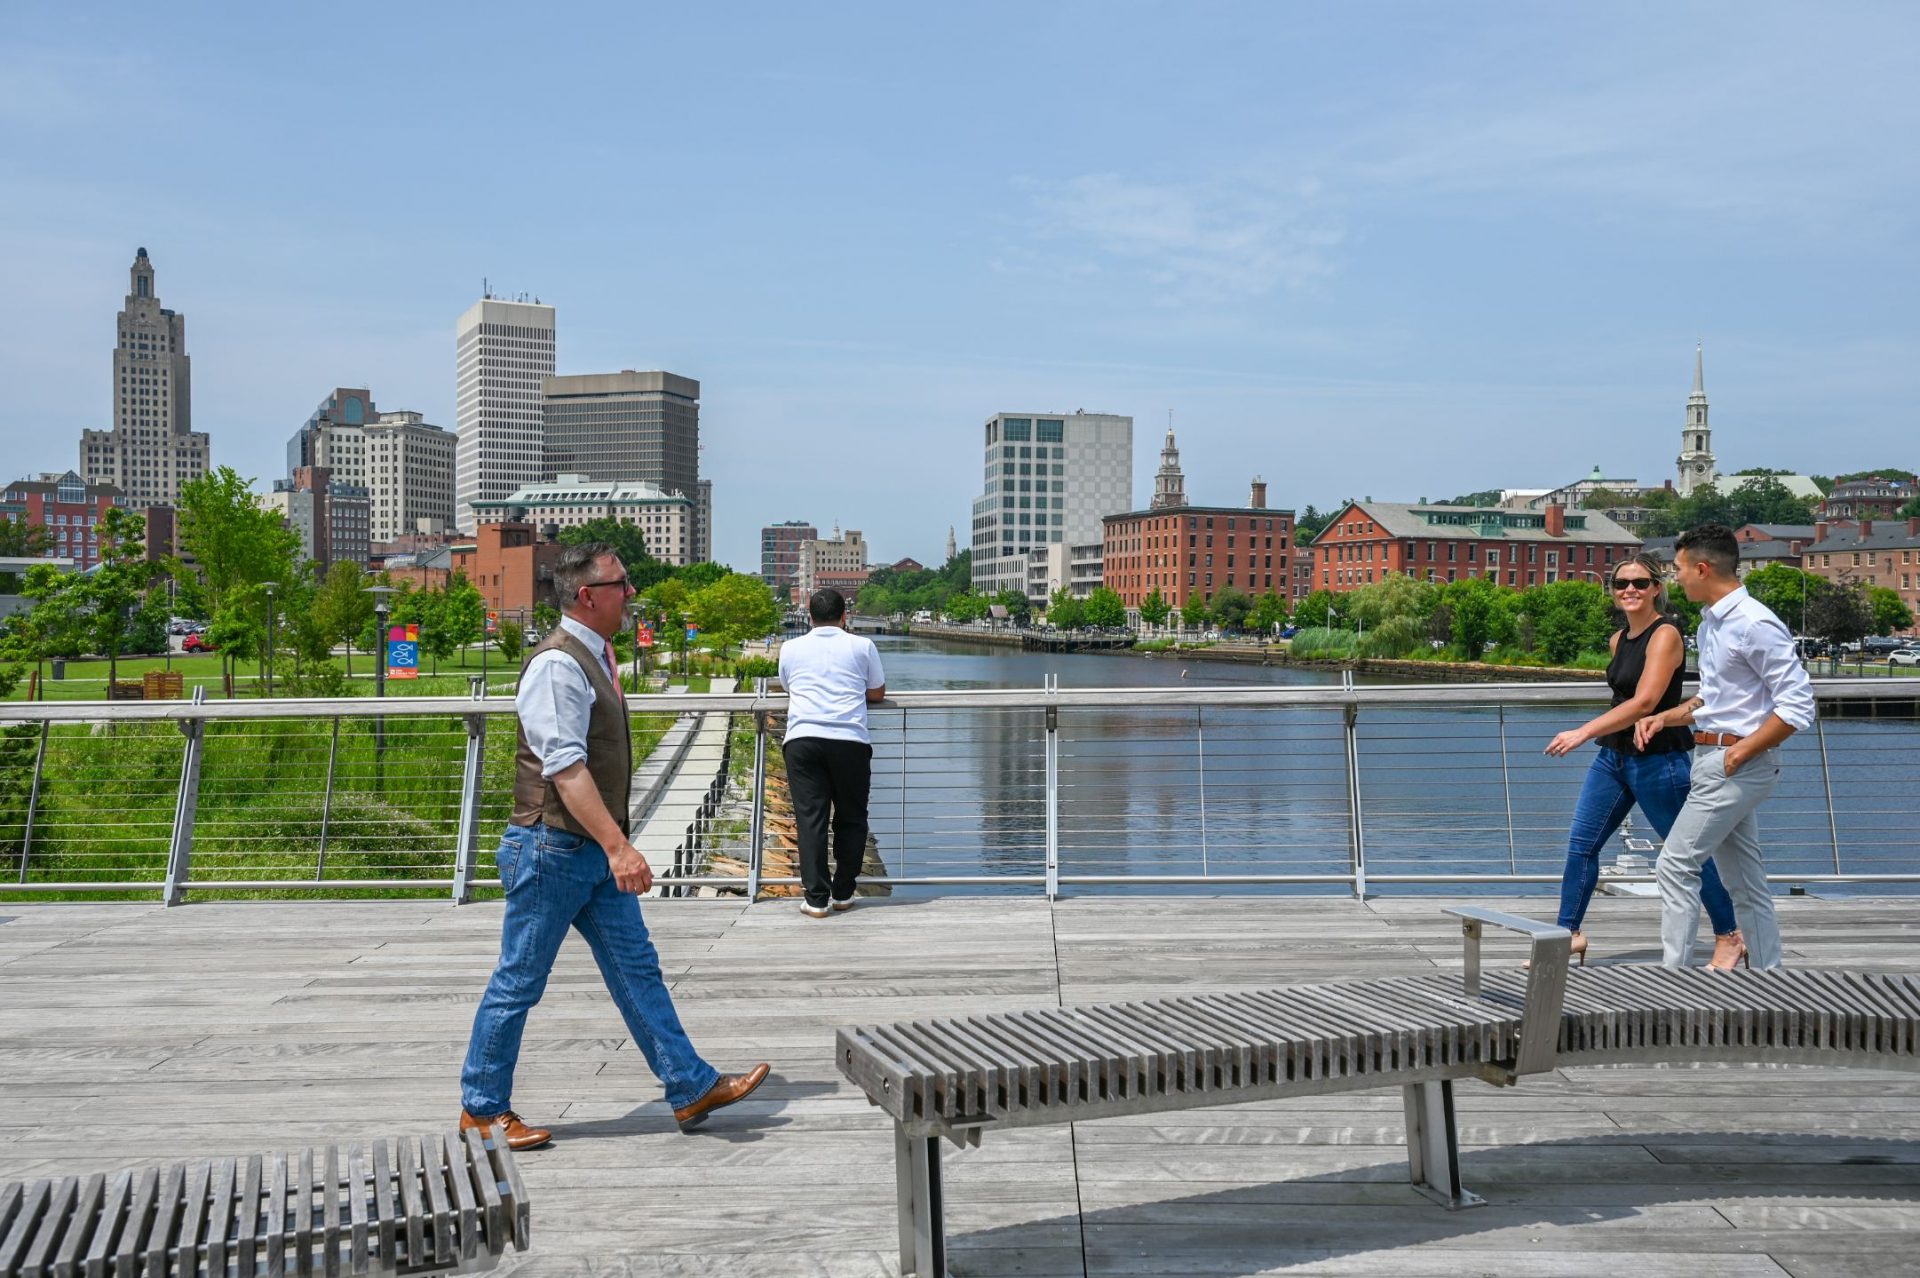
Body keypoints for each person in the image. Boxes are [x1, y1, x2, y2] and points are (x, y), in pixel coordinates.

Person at [460, 543, 769, 1148]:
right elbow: (567, 768)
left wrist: (610, 849)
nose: (631, 593)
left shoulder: (595, 656)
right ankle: (481, 1108)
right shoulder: (557, 665)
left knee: (637, 969)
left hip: (586, 853)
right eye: (621, 584)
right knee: (519, 980)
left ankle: (689, 1085)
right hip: (551, 849)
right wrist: (620, 848)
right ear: (587, 595)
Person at [1543, 551, 1742, 968]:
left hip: (1658, 760)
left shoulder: (1665, 633)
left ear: (1656, 588)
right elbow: (1623, 698)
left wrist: (1581, 731)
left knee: (1684, 853)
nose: (1629, 590)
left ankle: (1729, 936)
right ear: (1612, 592)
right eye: (1621, 584)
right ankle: (1567, 936)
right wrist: (1599, 736)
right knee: (1582, 846)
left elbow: (1646, 701)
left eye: (1639, 583)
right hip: (1614, 757)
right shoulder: (1619, 639)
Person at [1634, 524, 1816, 970]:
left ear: (1702, 568)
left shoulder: (1754, 622)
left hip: (1736, 763)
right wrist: (1664, 716)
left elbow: (1798, 704)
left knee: (1674, 866)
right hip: (1713, 758)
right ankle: (1770, 981)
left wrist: (1739, 754)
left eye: (1677, 569)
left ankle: (1672, 983)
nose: (1675, 579)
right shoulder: (1712, 622)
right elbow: (1715, 701)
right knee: (1745, 883)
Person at [777, 588, 886, 918]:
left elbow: (788, 686)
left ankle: (816, 898)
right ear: (845, 617)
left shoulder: (791, 647)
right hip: (849, 739)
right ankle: (843, 892)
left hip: (803, 740)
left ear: (809, 617)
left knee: (811, 820)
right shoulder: (862, 645)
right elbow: (877, 692)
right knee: (852, 818)